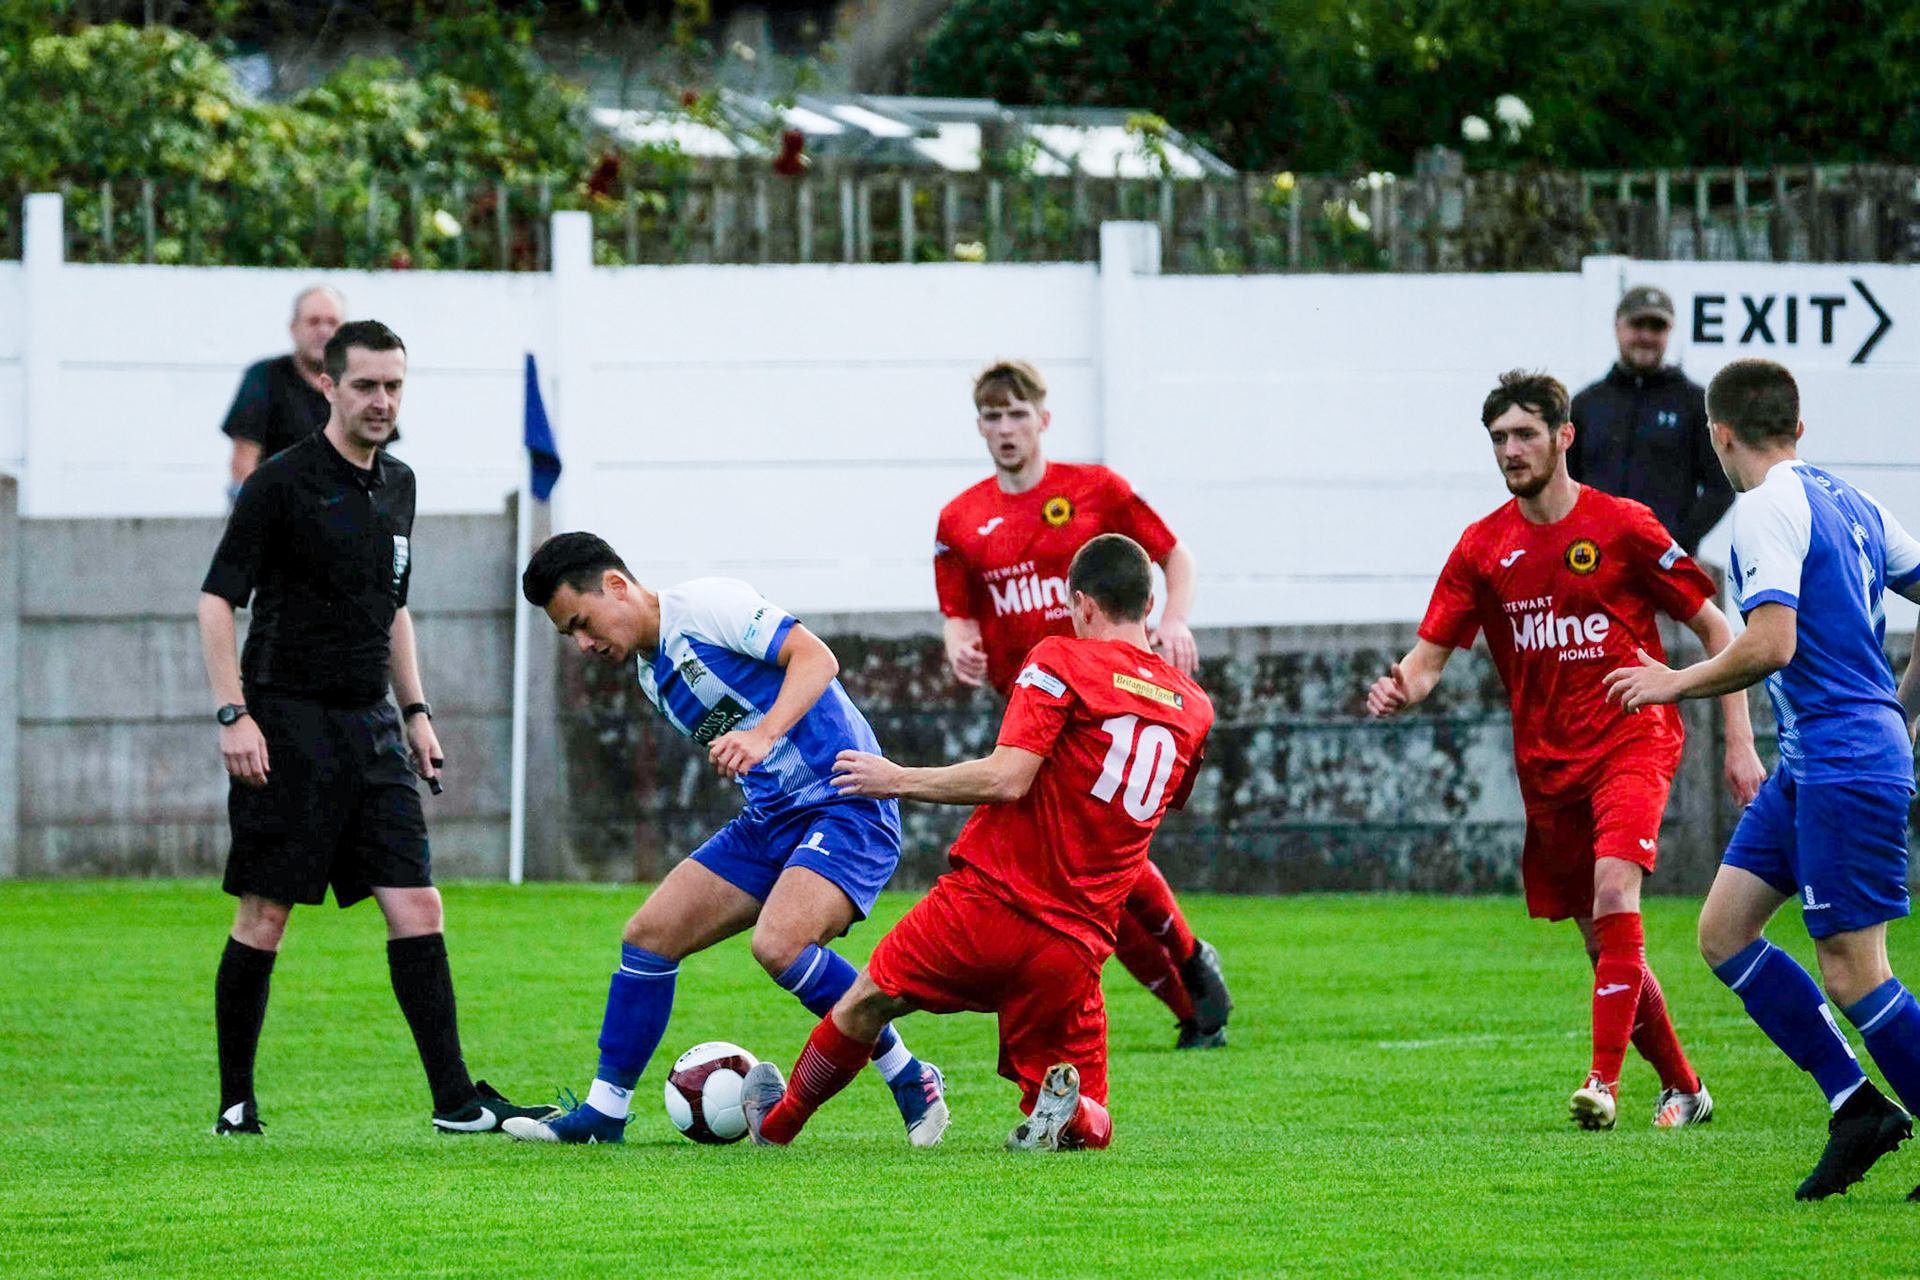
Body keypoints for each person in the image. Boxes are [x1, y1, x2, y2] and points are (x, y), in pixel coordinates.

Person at [1368, 369, 1766, 1131]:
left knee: (1617, 898)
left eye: (1523, 435)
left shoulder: (1625, 526)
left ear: (1563, 437)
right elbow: (1425, 664)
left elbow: (1722, 632)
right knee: (1605, 945)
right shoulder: (1482, 548)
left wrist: (1736, 742)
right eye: (1497, 439)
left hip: (1633, 740)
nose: (1510, 451)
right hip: (1549, 768)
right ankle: (1684, 1088)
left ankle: (1601, 1085)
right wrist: (1399, 689)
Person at [741, 534, 1214, 1151]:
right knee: (1092, 1116)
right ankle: (1074, 1119)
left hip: (987, 906)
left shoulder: (1062, 660)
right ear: (1150, 604)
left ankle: (775, 1128)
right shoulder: (1193, 709)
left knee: (863, 1005)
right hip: (1075, 947)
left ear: (1082, 605)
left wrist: (897, 779)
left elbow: (1007, 777)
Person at [199, 319, 556, 1136]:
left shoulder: (399, 483)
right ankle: (234, 1102)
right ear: (328, 386)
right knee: (265, 916)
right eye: (365, 385)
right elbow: (218, 599)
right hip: (284, 725)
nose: (381, 400)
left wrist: (417, 712)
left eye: (394, 385)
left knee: (419, 903)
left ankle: (457, 1103)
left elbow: (395, 606)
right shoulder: (281, 483)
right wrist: (234, 714)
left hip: (372, 730)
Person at [505, 532, 946, 1146]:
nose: (583, 644)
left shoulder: (707, 606)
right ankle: (604, 1114)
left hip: (846, 801)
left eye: (581, 623)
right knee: (648, 938)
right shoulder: (650, 677)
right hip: (771, 821)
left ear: (614, 585)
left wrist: (764, 734)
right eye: (568, 636)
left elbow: (817, 659)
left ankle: (910, 1076)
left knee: (780, 944)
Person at [1605, 358, 1920, 1199]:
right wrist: (1900, 707)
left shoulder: (1762, 510)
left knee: (1855, 970)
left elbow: (1771, 642)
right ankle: (1858, 1106)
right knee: (1724, 931)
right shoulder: (1846, 499)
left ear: (1718, 435)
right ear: (1798, 428)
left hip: (1844, 762)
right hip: (1817, 758)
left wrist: (1672, 682)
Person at [934, 358, 1233, 1050]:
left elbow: (1176, 558)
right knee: (1092, 886)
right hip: (1032, 713)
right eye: (992, 416)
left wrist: (1175, 621)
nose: (1006, 429)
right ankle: (1193, 1003)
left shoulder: (1096, 491)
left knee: (1100, 867)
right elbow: (958, 614)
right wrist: (960, 645)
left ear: (1043, 418)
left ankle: (1187, 963)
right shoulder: (961, 519)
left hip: (1106, 706)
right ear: (979, 426)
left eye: (1017, 414)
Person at [1569, 284, 1734, 557]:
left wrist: (1675, 543)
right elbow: (1562, 483)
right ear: (1618, 326)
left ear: (1669, 332)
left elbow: (1722, 486)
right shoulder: (1586, 404)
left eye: (1656, 327)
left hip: (1664, 570)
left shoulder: (1695, 403)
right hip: (1592, 562)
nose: (1646, 336)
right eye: (1637, 325)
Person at [221, 285, 345, 492]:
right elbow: (244, 459)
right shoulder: (264, 376)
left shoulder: (358, 383)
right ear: (293, 328)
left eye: (332, 322)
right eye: (313, 322)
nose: (323, 331)